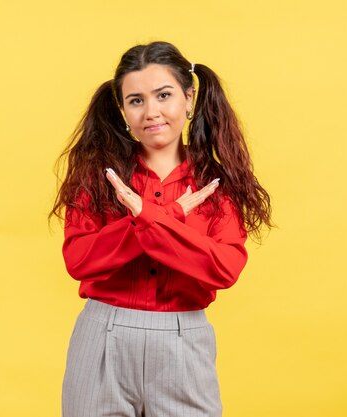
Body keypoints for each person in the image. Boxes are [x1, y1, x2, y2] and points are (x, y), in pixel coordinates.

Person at [50, 41, 273, 417]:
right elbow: (79, 260)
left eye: (164, 95)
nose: (151, 111)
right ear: (123, 111)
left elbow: (223, 268)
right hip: (103, 337)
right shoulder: (98, 177)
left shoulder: (214, 186)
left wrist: (149, 217)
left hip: (183, 340)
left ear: (189, 99)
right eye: (136, 100)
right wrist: (168, 214)